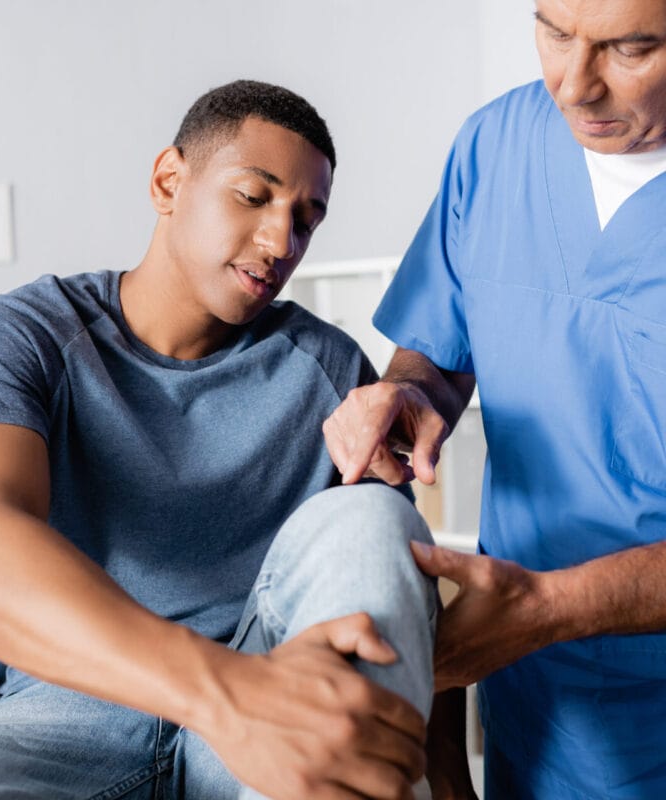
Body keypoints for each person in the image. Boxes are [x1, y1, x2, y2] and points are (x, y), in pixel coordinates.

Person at [0, 80, 464, 800]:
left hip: (277, 697)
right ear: (169, 182)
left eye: (306, 219)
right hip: (73, 709)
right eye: (254, 196)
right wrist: (226, 693)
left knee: (378, 518)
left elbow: (392, 586)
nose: (282, 242)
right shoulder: (20, 336)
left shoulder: (331, 368)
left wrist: (447, 779)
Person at [324, 1, 666, 797]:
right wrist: (408, 393)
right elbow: (441, 351)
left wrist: (552, 606)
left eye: (629, 47)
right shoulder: (496, 146)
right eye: (553, 31)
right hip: (534, 699)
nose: (572, 85)